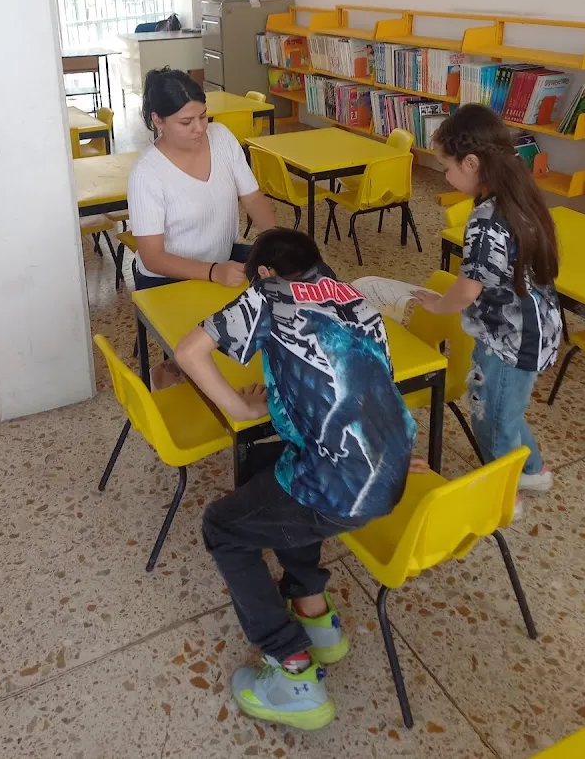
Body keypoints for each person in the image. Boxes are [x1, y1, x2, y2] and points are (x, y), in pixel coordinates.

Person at [174, 228, 418, 731]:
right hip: (386, 471)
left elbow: (189, 353)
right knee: (267, 469)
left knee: (222, 528)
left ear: (262, 273)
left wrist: (241, 405)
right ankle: (312, 610)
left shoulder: (268, 295)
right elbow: (358, 385)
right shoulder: (353, 298)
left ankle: (292, 668)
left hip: (339, 489)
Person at [412, 104, 562, 506]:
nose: (444, 175)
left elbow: (468, 288)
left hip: (511, 340)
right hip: (533, 326)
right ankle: (532, 472)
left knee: (492, 421)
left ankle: (502, 498)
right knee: (503, 409)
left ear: (472, 162)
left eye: (447, 167)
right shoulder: (519, 192)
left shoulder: (485, 220)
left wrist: (439, 305)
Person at [128, 67, 276, 292]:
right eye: (186, 122)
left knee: (295, 274)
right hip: (167, 279)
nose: (199, 128)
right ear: (158, 120)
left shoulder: (222, 137)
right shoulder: (146, 174)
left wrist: (278, 242)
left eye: (203, 116)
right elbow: (153, 258)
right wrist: (213, 271)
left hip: (223, 259)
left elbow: (253, 198)